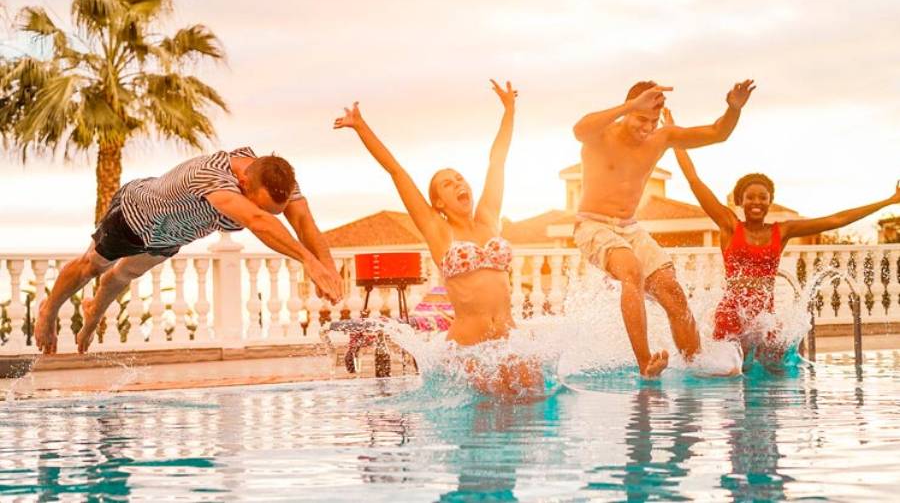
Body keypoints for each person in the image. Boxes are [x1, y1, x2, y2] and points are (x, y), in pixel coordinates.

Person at [334, 80, 540, 398]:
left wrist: (509, 110)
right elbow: (397, 172)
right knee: (488, 416)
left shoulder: (488, 217)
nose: (458, 183)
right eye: (447, 183)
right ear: (439, 203)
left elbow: (497, 160)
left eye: (459, 178)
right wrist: (361, 127)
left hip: (509, 341)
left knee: (534, 402)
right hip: (470, 349)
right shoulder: (438, 230)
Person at [34, 148, 344, 354]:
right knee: (93, 266)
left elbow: (303, 222)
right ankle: (48, 310)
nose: (264, 211)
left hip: (173, 235)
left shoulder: (276, 178)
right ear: (242, 181)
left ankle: (93, 313)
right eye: (259, 204)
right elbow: (257, 220)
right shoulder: (211, 174)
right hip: (135, 217)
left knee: (124, 274)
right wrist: (308, 261)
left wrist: (327, 269)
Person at [666, 108, 900, 365]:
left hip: (763, 318)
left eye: (762, 197)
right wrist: (674, 137)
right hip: (731, 315)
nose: (756, 202)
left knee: (776, 370)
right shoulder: (730, 226)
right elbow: (694, 180)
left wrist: (889, 201)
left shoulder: (783, 231)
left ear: (770, 201)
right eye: (750, 197)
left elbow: (836, 220)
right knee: (731, 371)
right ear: (740, 200)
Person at [572, 79, 755, 377]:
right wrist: (632, 105)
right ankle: (645, 364)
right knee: (632, 270)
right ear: (628, 110)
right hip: (592, 224)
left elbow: (717, 133)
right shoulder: (601, 134)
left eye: (652, 121)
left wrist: (733, 108)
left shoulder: (661, 138)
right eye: (641, 119)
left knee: (672, 290)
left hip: (630, 228)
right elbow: (579, 130)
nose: (647, 128)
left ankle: (696, 363)